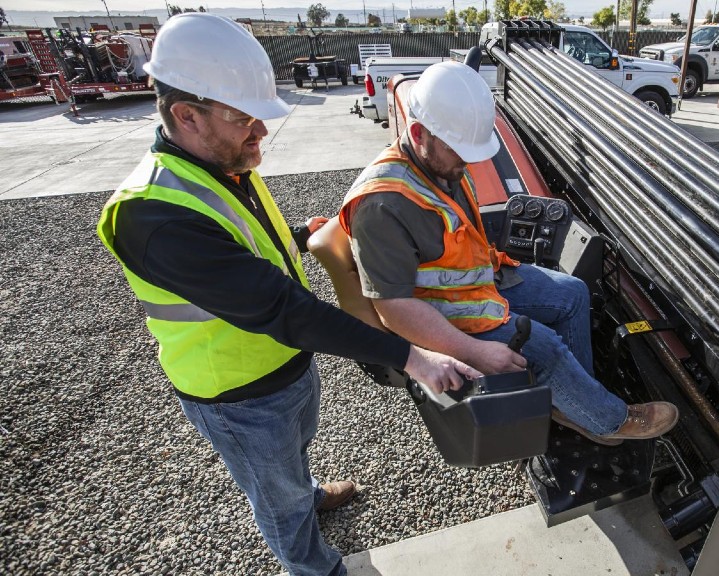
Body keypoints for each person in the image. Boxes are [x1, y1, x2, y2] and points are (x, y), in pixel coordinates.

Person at [95, 14, 479, 576]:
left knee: (291, 458)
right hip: (238, 393)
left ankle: (307, 491)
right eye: (244, 119)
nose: (260, 133)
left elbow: (247, 246)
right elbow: (279, 307)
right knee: (274, 496)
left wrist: (300, 236)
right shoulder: (152, 216)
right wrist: (412, 356)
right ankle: (313, 566)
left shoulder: (220, 164)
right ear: (186, 114)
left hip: (285, 368)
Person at [339, 61, 680, 445]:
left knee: (572, 293)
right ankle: (607, 421)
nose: (469, 162)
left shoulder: (439, 161)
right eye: (460, 151)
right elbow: (393, 308)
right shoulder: (382, 205)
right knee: (545, 346)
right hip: (440, 312)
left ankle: (576, 404)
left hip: (478, 285)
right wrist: (476, 352)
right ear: (418, 133)